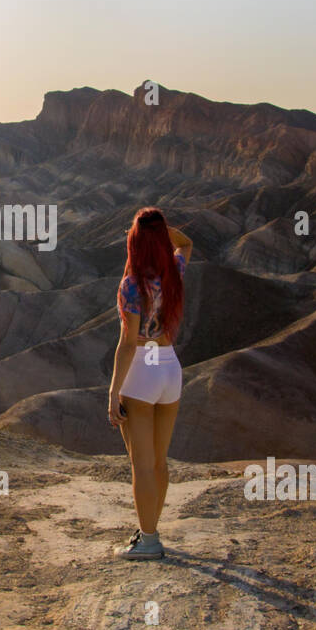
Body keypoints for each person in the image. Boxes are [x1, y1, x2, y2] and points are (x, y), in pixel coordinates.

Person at [107, 208, 191, 560]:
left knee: (141, 464)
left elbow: (128, 344)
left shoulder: (131, 286)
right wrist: (159, 231)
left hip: (142, 369)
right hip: (170, 367)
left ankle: (150, 540)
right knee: (159, 462)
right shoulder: (175, 271)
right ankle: (149, 530)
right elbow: (186, 242)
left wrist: (113, 392)